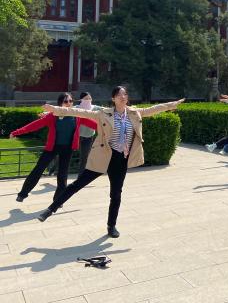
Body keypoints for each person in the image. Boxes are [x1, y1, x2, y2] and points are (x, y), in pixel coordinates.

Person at [36, 86, 184, 238]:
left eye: (125, 94)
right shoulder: (103, 113)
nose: (123, 96)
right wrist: (55, 109)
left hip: (121, 159)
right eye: (119, 94)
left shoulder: (134, 113)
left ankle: (111, 226)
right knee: (77, 184)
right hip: (104, 155)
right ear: (113, 98)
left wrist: (170, 105)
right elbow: (78, 112)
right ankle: (50, 210)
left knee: (116, 194)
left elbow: (152, 109)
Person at [9, 93, 97, 203]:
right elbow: (35, 125)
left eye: (71, 101)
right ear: (60, 103)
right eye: (66, 101)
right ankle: (23, 194)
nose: (69, 103)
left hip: (67, 149)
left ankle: (58, 201)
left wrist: (110, 130)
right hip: (52, 147)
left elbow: (95, 125)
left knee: (62, 175)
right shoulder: (52, 116)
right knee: (38, 169)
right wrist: (16, 132)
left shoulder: (77, 116)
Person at [76, 92, 99, 174]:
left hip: (88, 137)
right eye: (86, 99)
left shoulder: (96, 108)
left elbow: (108, 111)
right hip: (76, 136)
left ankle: (81, 177)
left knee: (84, 158)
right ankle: (54, 168)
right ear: (81, 100)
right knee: (66, 154)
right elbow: (64, 111)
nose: (88, 100)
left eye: (90, 98)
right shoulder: (76, 108)